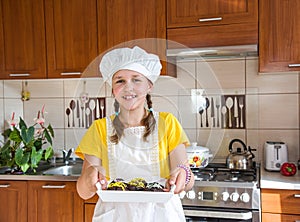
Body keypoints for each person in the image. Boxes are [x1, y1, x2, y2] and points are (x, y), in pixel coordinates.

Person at [75, 46, 194, 222]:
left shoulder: (167, 123)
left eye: (136, 80)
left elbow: (187, 177)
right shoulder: (99, 128)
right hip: (115, 216)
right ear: (113, 89)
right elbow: (83, 192)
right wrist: (90, 178)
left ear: (149, 85)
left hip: (161, 215)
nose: (128, 88)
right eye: (120, 81)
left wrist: (183, 174)